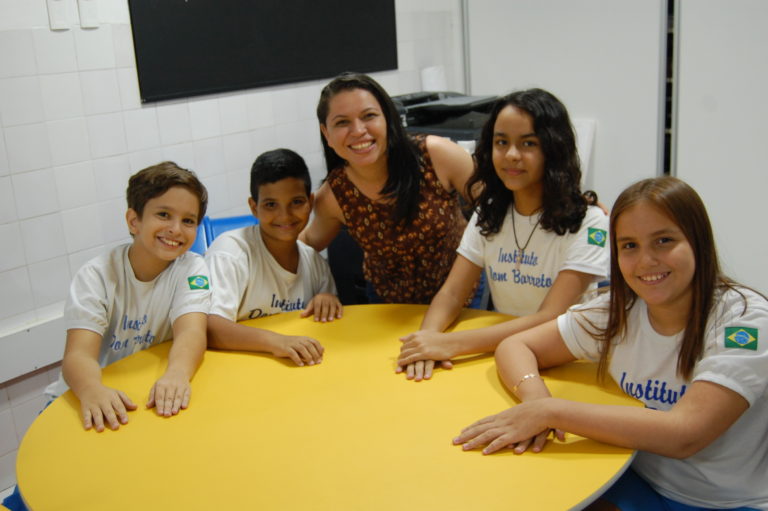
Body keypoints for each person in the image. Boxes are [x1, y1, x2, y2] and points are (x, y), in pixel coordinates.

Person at [455, 176, 768, 511]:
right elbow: (516, 346)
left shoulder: (745, 320)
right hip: (633, 477)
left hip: (725, 501)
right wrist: (535, 399)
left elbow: (685, 434)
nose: (647, 260)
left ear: (698, 242)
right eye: (629, 246)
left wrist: (550, 412)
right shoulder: (619, 309)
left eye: (664, 240)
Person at [397, 88, 609, 381]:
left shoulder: (591, 222)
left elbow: (552, 317)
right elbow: (452, 292)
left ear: (553, 149)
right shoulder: (490, 211)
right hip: (505, 355)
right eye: (501, 142)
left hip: (566, 362)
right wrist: (426, 339)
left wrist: (451, 344)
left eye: (528, 143)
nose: (511, 155)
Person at [44, 162, 210, 431]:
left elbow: (191, 332)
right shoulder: (97, 275)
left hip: (141, 395)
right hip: (82, 396)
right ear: (134, 221)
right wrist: (91, 390)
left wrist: (178, 374)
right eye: (164, 214)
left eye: (188, 221)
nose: (176, 229)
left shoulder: (192, 268)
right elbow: (78, 356)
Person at [299, 72, 475, 305]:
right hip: (389, 306)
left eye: (369, 116)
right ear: (326, 134)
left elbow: (496, 213)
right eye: (342, 122)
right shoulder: (335, 194)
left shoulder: (437, 155)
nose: (358, 130)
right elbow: (306, 245)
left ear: (388, 120)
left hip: (462, 296)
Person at [205, 149, 341, 366]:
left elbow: (330, 327)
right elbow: (209, 328)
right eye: (270, 205)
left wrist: (327, 299)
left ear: (311, 202)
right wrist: (277, 342)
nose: (284, 215)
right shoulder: (230, 252)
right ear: (254, 207)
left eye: (296, 202)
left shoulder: (314, 262)